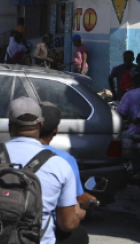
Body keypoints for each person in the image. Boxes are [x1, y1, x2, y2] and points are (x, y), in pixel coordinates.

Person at [0, 97, 81, 244]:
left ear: (10, 125)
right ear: (41, 125)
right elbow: (67, 224)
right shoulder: (59, 164)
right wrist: (78, 216)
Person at [39, 102, 95, 244]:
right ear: (55, 130)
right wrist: (81, 212)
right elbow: (69, 220)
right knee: (79, 234)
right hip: (44, 233)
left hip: (2, 229)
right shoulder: (64, 159)